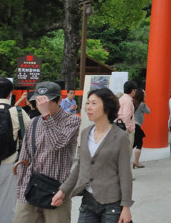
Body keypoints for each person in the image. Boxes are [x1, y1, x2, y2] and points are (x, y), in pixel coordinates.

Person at [52, 87, 133, 223]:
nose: (88, 107)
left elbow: (125, 173)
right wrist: (63, 190)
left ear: (107, 106)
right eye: (87, 103)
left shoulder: (120, 137)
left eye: (94, 103)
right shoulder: (85, 133)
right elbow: (80, 167)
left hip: (112, 203)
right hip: (88, 201)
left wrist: (126, 207)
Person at [13, 81, 81, 223]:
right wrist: (21, 188)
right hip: (31, 187)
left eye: (46, 101)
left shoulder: (72, 120)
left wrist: (46, 115)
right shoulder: (34, 122)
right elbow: (25, 156)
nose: (41, 105)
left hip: (57, 189)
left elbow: (57, 143)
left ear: (59, 101)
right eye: (39, 101)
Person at [0, 78, 29, 223]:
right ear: (10, 94)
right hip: (8, 164)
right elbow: (31, 133)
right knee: (6, 206)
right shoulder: (17, 112)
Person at [132, 88, 150, 168]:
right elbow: (148, 111)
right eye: (144, 94)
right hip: (137, 125)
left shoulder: (132, 102)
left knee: (134, 143)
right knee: (138, 143)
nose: (145, 94)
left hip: (132, 125)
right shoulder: (142, 104)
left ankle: (136, 161)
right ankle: (136, 161)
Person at [118, 80, 137, 149]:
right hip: (126, 129)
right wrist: (129, 128)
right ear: (132, 90)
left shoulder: (121, 98)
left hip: (119, 126)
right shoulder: (128, 101)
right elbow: (126, 115)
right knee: (127, 151)